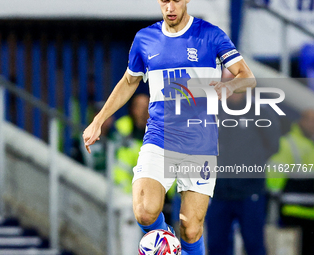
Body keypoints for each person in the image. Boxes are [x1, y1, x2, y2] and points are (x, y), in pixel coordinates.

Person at [83, 1, 256, 254]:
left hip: (200, 142)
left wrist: (226, 87)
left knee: (191, 229)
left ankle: (177, 246)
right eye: (165, 0)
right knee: (144, 211)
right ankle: (167, 245)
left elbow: (246, 76)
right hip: (159, 137)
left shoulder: (210, 35)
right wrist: (98, 120)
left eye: (176, 0)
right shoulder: (145, 38)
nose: (170, 6)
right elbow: (129, 81)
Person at [206, 69, 281, 255]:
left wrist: (250, 162)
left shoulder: (260, 112)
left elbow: (273, 145)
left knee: (254, 244)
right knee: (216, 245)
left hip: (250, 191)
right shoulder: (212, 113)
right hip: (218, 192)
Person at [267, 109, 314, 255]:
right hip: (292, 211)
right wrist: (274, 201)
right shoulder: (288, 143)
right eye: (311, 120)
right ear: (302, 121)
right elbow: (274, 176)